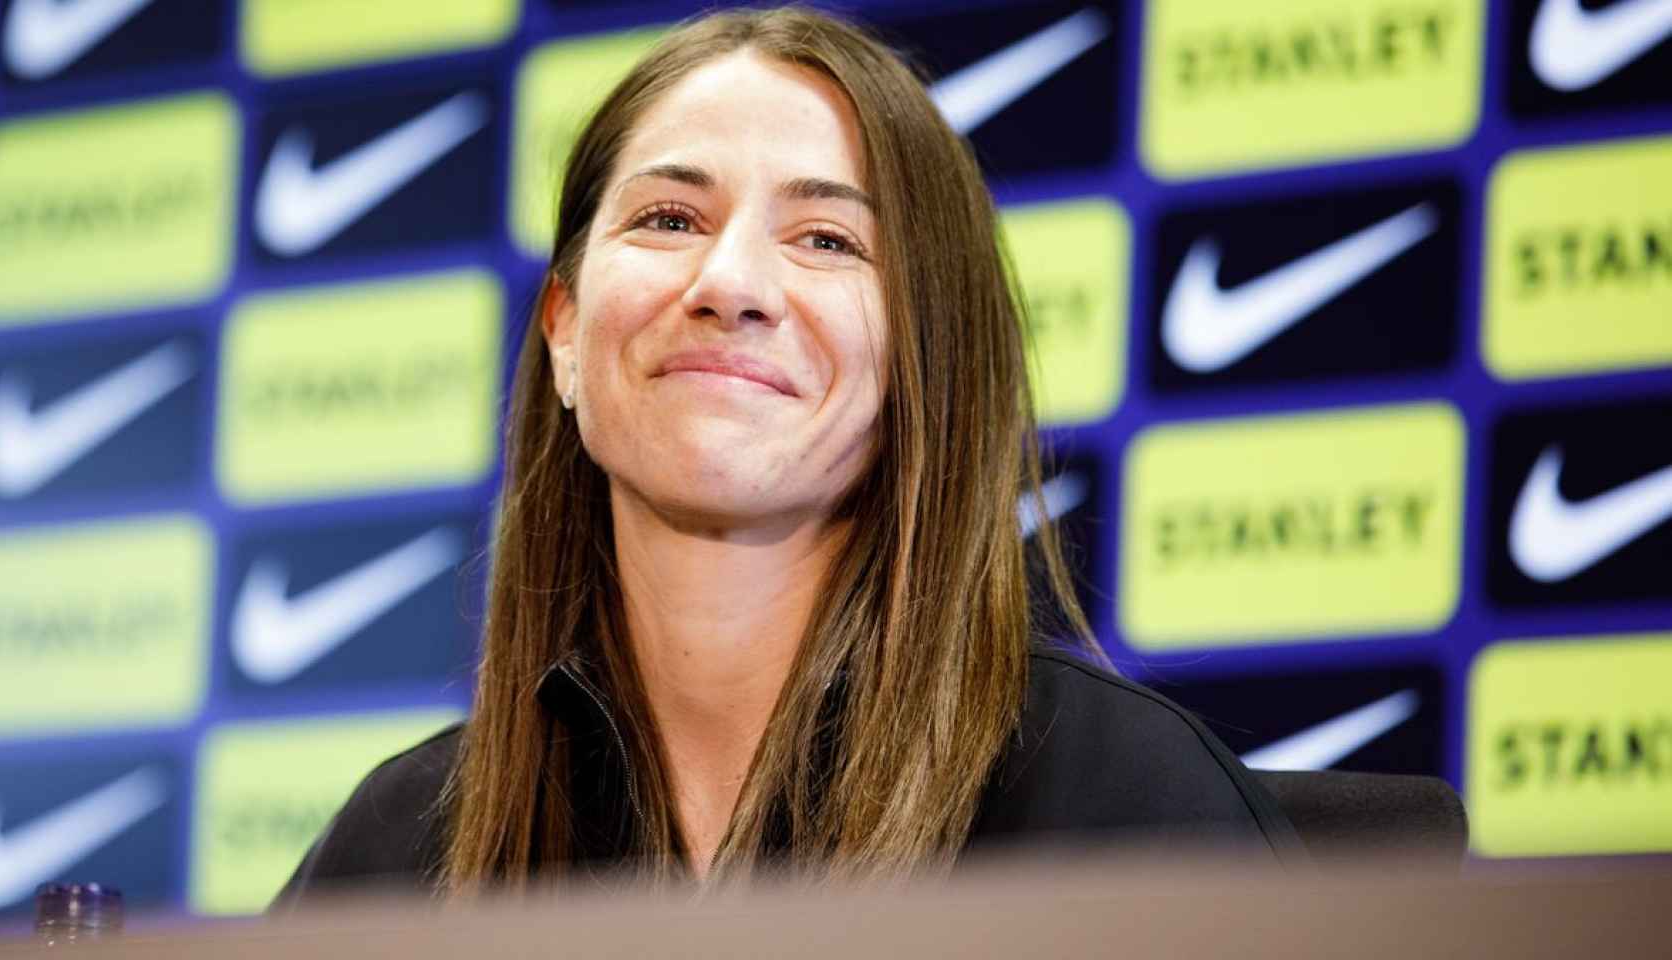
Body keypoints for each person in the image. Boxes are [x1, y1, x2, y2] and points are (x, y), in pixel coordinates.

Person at [274, 5, 1306, 905]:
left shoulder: (1124, 815)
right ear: (562, 334)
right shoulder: (395, 855)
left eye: (825, 240)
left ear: (925, 357)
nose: (730, 282)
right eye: (669, 218)